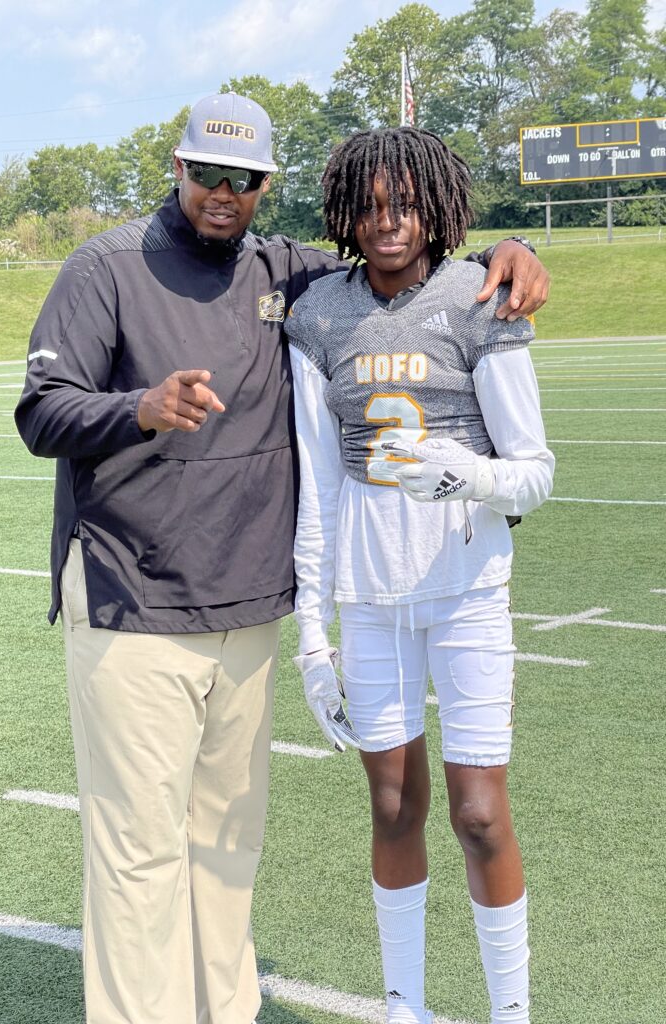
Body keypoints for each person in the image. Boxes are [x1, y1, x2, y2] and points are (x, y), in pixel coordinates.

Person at [14, 91, 551, 1024]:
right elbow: (40, 411)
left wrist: (510, 250)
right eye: (207, 174)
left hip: (248, 607)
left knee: (226, 848)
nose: (224, 193)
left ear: (270, 186)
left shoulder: (293, 276)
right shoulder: (103, 268)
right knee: (141, 852)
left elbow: (406, 255)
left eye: (246, 179)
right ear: (175, 168)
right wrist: (136, 408)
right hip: (133, 600)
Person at [286, 126, 555, 1024]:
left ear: (433, 207)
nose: (387, 221)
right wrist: (310, 643)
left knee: (479, 813)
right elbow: (318, 487)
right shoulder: (318, 314)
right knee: (393, 805)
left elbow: (535, 470)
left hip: (468, 592)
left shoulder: (480, 297)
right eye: (369, 206)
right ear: (347, 217)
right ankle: (405, 1007)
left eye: (403, 203)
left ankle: (509, 1015)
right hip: (368, 602)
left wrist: (467, 474)